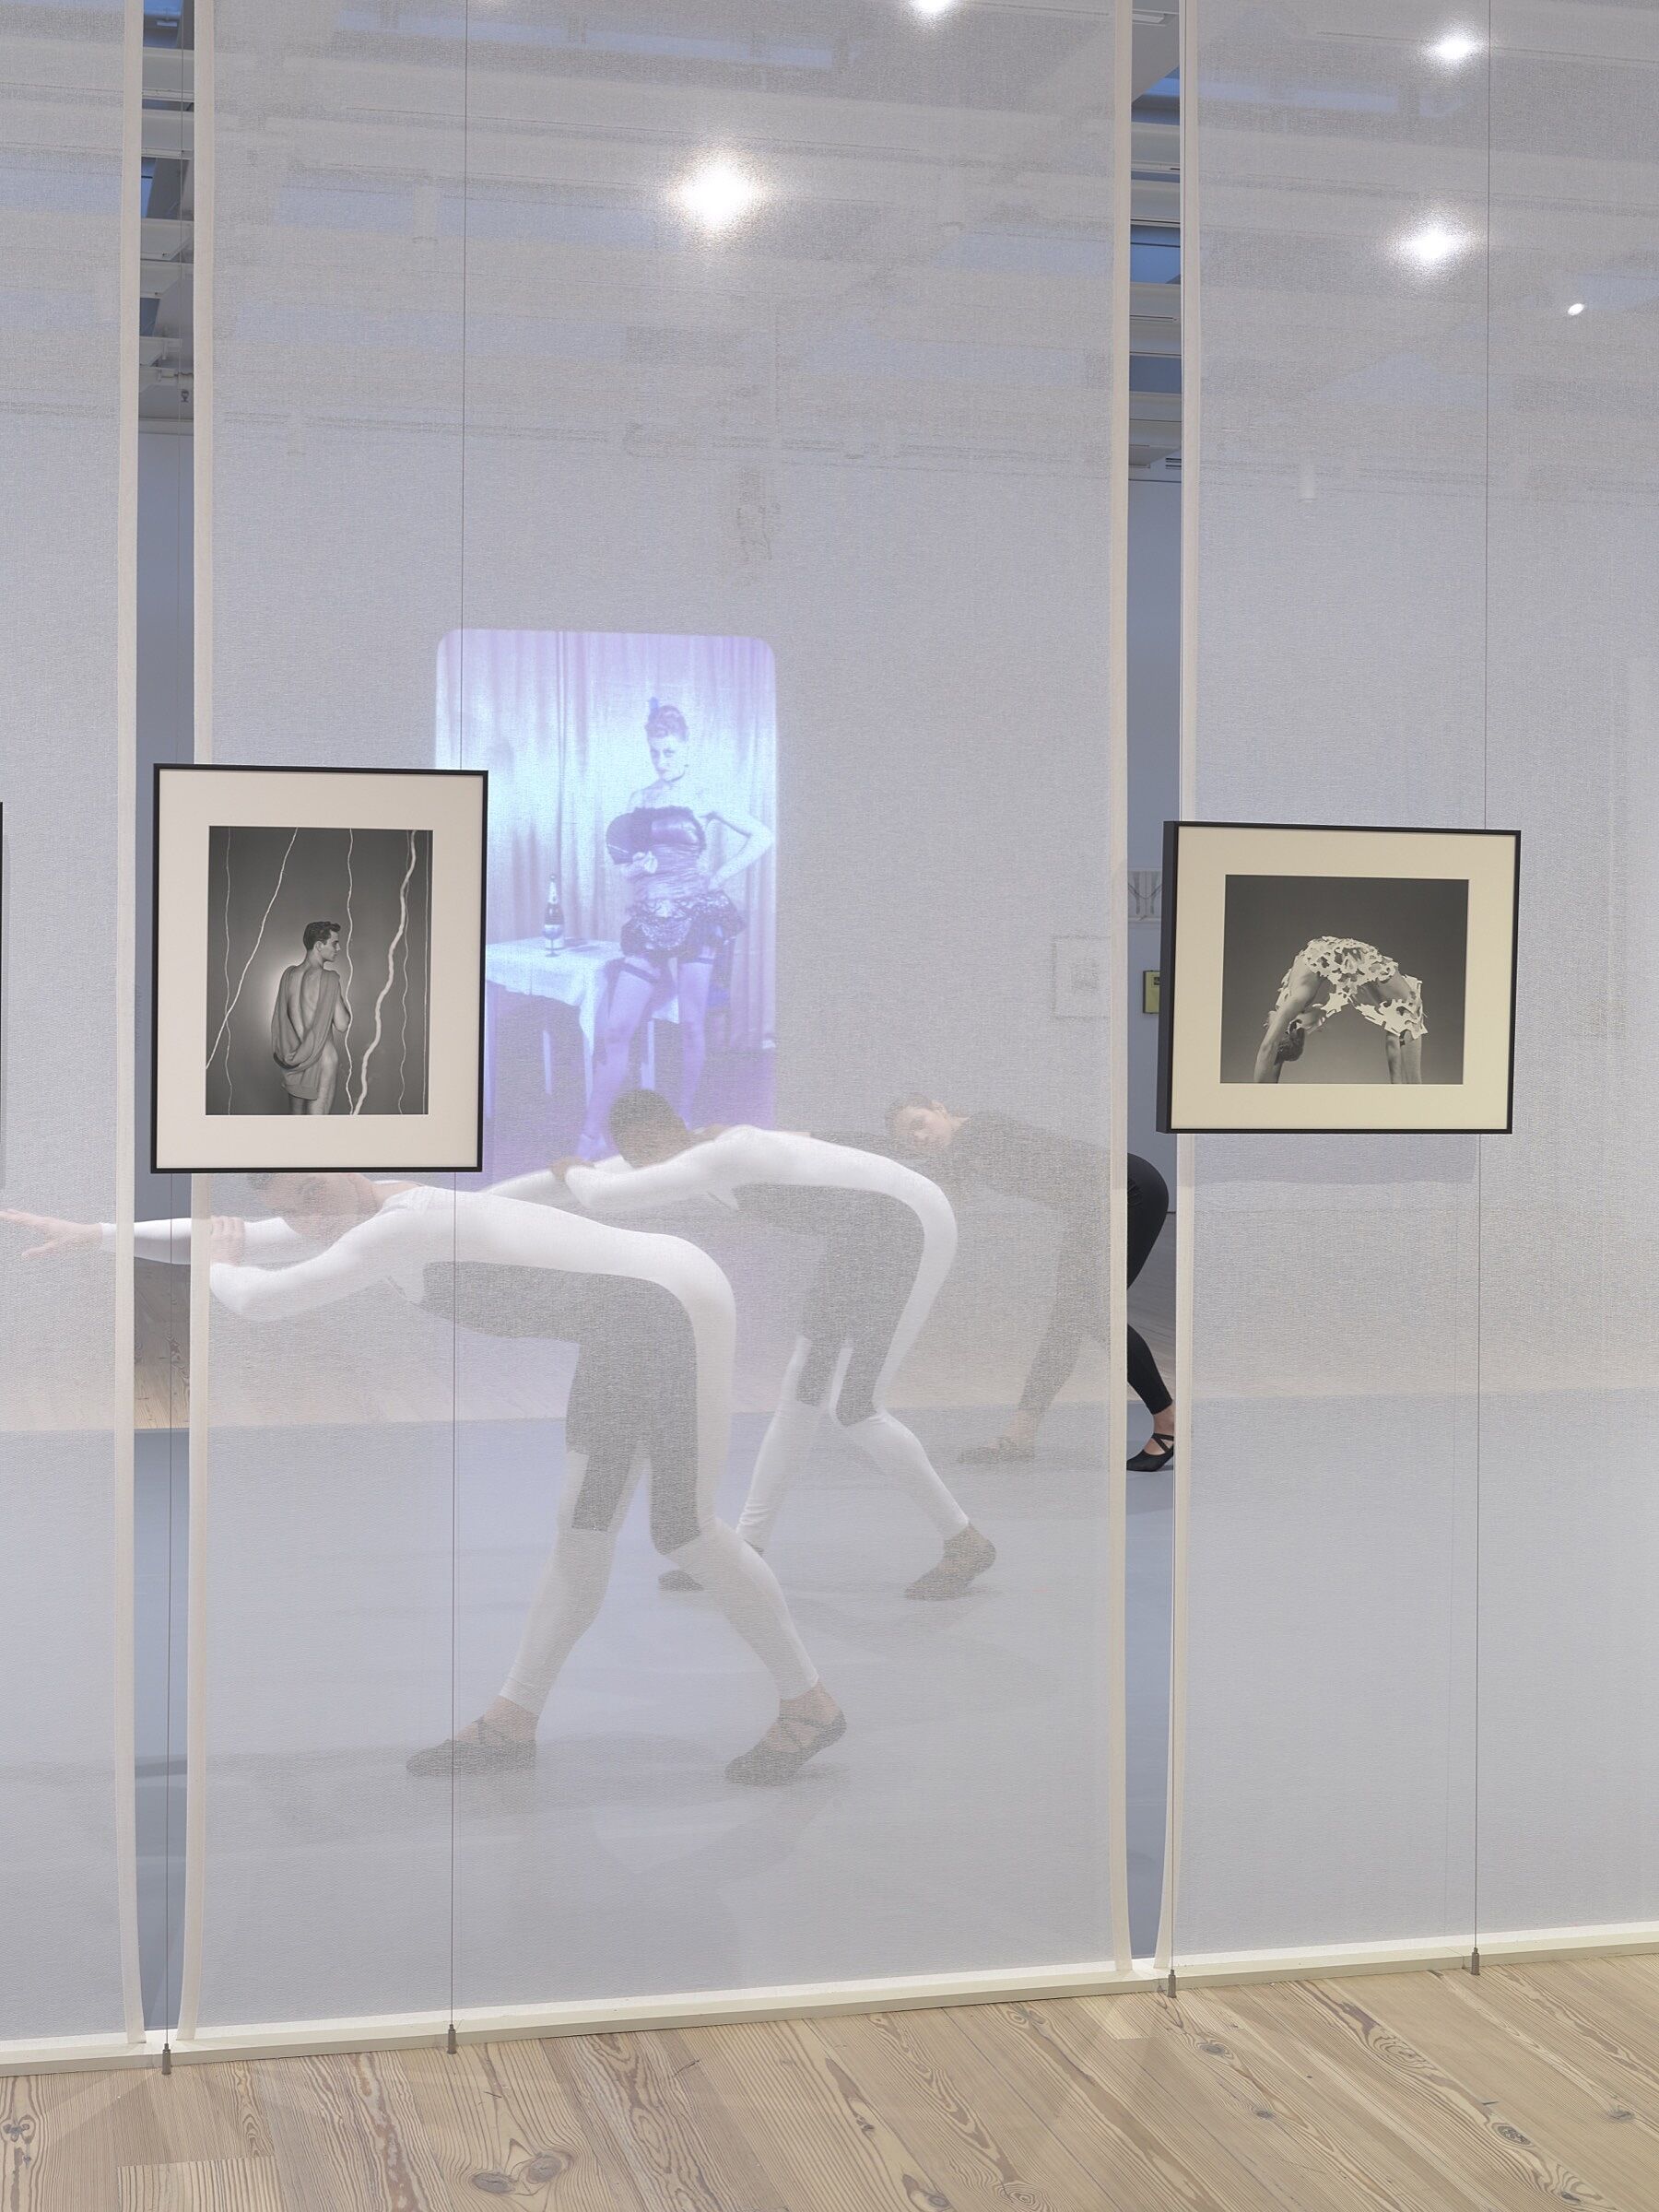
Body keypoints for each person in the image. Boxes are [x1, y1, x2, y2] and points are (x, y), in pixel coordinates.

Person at [1, 1175, 843, 1786]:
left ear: (343, 1169)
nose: (304, 1215)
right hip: (623, 1326)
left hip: (674, 1303)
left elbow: (262, 1295)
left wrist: (212, 1264)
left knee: (685, 1529)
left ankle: (811, 1704)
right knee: (581, 1527)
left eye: (310, 1194)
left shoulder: (399, 1224)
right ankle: (512, 1721)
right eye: (287, 1204)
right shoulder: (347, 1218)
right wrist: (101, 1235)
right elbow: (252, 1241)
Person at [546, 1091, 995, 1600]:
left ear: (678, 1126)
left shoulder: (725, 1152)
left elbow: (606, 1196)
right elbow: (826, 1142)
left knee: (855, 1407)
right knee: (801, 1393)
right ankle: (746, 1549)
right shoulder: (713, 1148)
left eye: (653, 1145)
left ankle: (966, 1541)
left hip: (913, 1228)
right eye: (637, 1155)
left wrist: (571, 1173)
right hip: (859, 1238)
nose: (649, 1161)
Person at [887, 1100, 1173, 1472]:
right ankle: (1021, 1435)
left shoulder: (980, 1131)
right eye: (910, 1138)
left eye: (920, 1123)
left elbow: (934, 1180)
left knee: (1095, 1314)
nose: (921, 1137)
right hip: (1092, 1209)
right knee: (1067, 1324)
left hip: (1128, 1192)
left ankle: (1168, 1423)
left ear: (940, 1108)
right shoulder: (967, 1151)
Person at [578, 700, 773, 1156]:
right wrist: (639, 866)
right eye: (655, 752)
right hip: (651, 916)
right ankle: (589, 1133)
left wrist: (721, 876)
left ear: (686, 749)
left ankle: (684, 1116)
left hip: (697, 915)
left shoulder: (705, 795)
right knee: (616, 1029)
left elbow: (763, 835)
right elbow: (628, 869)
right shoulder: (638, 801)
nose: (662, 761)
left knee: (690, 1025)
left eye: (669, 751)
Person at [1253, 936, 1425, 1084]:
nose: (1265, 1026)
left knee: (1401, 1018)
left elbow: (1274, 1053)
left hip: (1347, 958)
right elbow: (1269, 1048)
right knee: (1411, 1012)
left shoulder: (1287, 1002)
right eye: (1270, 1027)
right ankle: (1412, 1091)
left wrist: (1263, 1093)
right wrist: (1256, 1097)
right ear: (1289, 1028)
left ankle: (1402, 1090)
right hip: (1351, 958)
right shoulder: (1296, 999)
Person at [271, 920, 350, 1115]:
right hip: (323, 1058)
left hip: (296, 1059)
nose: (339, 948)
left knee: (297, 1125)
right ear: (318, 945)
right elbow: (342, 1024)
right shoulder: (330, 979)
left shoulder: (288, 975)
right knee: (317, 1126)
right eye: (334, 943)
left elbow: (281, 1021)